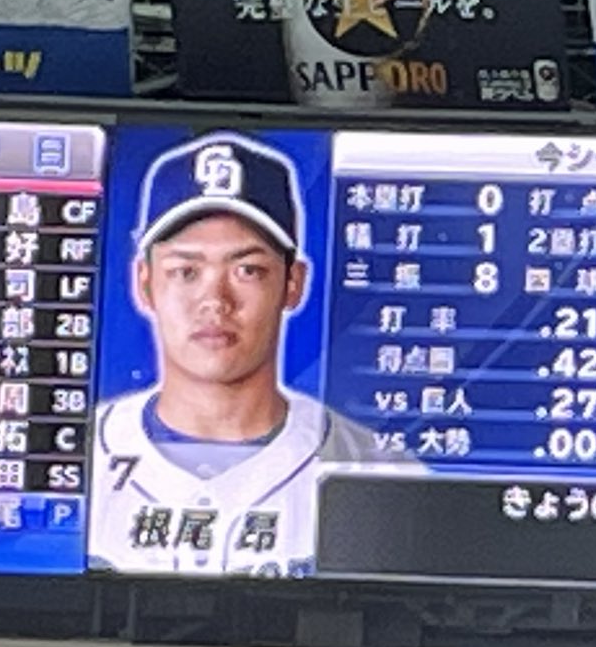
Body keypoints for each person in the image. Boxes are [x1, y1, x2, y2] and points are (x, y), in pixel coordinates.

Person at [88, 134, 409, 577]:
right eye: (186, 271)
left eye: (248, 270)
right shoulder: (73, 456)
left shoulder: (373, 466)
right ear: (144, 283)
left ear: (293, 283)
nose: (215, 301)